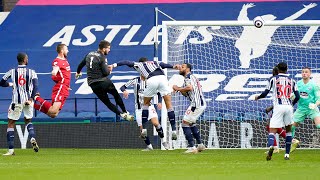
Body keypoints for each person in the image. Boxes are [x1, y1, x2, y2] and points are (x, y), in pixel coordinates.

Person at [110, 57, 180, 140]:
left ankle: (144, 129)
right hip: (163, 79)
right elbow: (164, 65)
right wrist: (173, 66)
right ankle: (174, 130)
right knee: (169, 106)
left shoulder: (140, 64)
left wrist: (113, 65)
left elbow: (126, 61)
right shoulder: (155, 62)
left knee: (145, 104)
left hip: (152, 79)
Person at [236, 3, 317, 68]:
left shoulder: (272, 26)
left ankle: (246, 61)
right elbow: (241, 18)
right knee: (244, 51)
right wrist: (244, 9)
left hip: (261, 45)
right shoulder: (249, 25)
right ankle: (244, 66)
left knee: (252, 54)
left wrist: (305, 9)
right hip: (246, 42)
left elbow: (291, 18)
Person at [75, 40, 133, 121]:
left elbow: (80, 65)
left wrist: (78, 73)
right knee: (116, 95)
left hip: (93, 84)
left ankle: (121, 114)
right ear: (103, 49)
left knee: (107, 102)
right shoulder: (102, 57)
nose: (109, 50)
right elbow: (106, 73)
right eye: (108, 48)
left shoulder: (89, 54)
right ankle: (125, 111)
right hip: (104, 82)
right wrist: (110, 70)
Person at [255, 62, 300, 161]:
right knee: (288, 130)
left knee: (272, 130)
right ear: (287, 69)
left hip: (278, 106)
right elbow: (298, 96)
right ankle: (287, 155)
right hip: (288, 107)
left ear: (278, 69)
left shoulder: (273, 79)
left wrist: (258, 97)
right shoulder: (292, 80)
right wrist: (291, 104)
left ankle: (272, 146)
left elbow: (265, 93)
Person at [0, 52, 39, 155]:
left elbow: (1, 82)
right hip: (28, 100)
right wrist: (31, 99)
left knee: (11, 123)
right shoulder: (32, 72)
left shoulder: (12, 71)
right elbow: (35, 86)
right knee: (28, 120)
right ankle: (32, 138)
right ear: (25, 60)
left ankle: (11, 150)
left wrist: (11, 84)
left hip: (16, 101)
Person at [120, 75, 168, 151]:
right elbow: (122, 87)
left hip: (150, 106)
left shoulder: (151, 81)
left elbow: (159, 92)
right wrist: (124, 91)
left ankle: (164, 141)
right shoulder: (135, 80)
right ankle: (149, 146)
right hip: (139, 109)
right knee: (142, 130)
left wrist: (159, 102)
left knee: (156, 123)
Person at [172, 63, 206, 154]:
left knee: (184, 123)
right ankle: (200, 144)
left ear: (188, 69)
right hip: (199, 103)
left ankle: (191, 147)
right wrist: (179, 90)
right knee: (191, 123)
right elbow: (187, 92)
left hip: (196, 104)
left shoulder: (188, 77)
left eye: (183, 67)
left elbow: (189, 88)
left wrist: (178, 88)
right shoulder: (192, 77)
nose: (180, 68)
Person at [33, 44, 71, 118]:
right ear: (62, 51)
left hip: (65, 88)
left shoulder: (65, 61)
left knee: (53, 114)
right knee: (53, 111)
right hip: (61, 87)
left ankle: (32, 104)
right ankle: (36, 97)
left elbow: (64, 75)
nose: (68, 51)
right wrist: (54, 71)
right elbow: (54, 72)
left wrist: (67, 85)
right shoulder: (57, 61)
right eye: (66, 49)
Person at [290, 67, 320, 152]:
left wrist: (315, 105)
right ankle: (292, 143)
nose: (304, 73)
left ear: (310, 74)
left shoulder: (314, 85)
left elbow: (319, 99)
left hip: (312, 108)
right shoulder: (298, 84)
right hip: (301, 108)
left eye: (306, 72)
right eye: (303, 72)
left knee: (318, 125)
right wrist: (292, 95)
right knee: (291, 126)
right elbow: (294, 94)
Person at [264, 66, 286, 154]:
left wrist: (271, 107)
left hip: (279, 107)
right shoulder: (283, 81)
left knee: (272, 126)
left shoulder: (276, 81)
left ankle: (291, 141)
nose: (272, 73)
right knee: (271, 126)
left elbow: (281, 98)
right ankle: (276, 147)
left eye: (274, 72)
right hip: (280, 107)